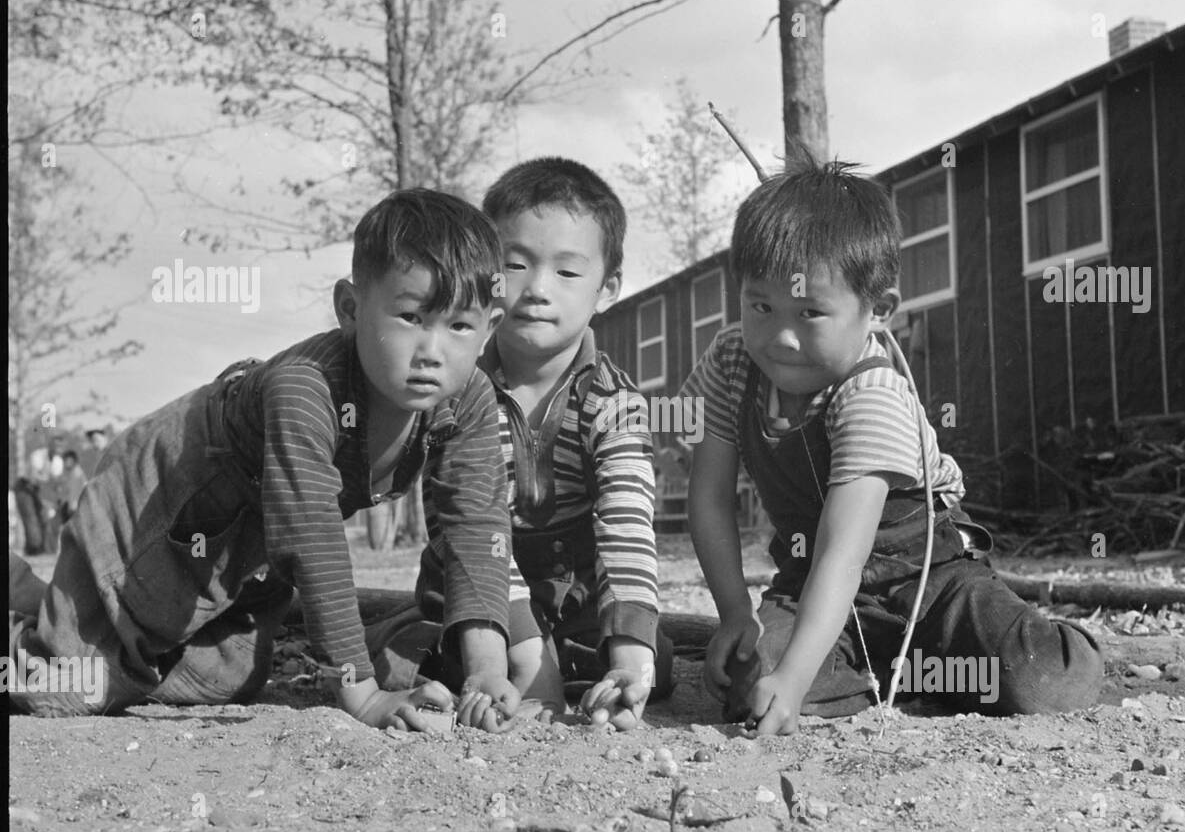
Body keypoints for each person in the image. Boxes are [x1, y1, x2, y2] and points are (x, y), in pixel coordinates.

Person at [8, 188, 521, 732]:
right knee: (67, 685)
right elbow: (312, 535)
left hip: (251, 546)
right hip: (163, 500)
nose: (432, 351)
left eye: (459, 326)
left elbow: (475, 525)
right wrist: (364, 694)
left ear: (489, 327)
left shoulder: (468, 398)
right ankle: (35, 606)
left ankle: (55, 607)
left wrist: (486, 669)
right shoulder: (306, 389)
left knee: (227, 675)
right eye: (411, 317)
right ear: (350, 309)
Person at [680, 157, 1103, 734]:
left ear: (877, 311)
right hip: (810, 580)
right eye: (761, 306)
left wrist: (798, 676)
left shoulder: (871, 393)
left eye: (810, 313)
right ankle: (893, 666)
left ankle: (924, 657)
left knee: (1043, 679)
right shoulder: (731, 362)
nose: (781, 338)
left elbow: (844, 552)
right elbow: (709, 498)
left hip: (929, 579)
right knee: (751, 685)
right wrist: (735, 616)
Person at [367, 158, 669, 731]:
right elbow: (460, 527)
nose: (537, 290)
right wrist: (529, 656)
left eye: (568, 272)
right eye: (515, 264)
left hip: (576, 598)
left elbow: (627, 525)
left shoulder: (615, 401)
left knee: (648, 658)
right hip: (474, 589)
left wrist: (633, 659)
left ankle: (595, 665)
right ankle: (507, 660)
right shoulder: (453, 391)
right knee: (415, 656)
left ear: (607, 289)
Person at [58, 450, 88, 521]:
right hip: (76, 508)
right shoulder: (74, 472)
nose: (64, 463)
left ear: (72, 461)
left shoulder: (76, 474)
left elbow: (74, 493)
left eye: (66, 460)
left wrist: (72, 507)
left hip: (75, 509)